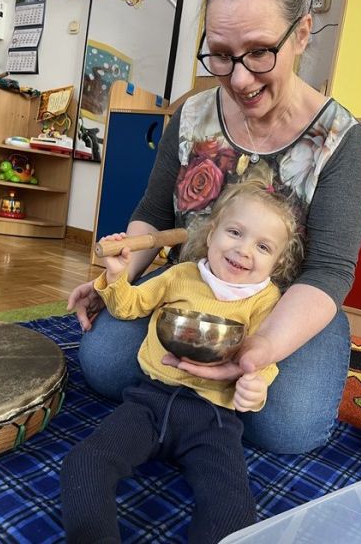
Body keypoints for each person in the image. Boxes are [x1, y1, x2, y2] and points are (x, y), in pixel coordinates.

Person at [68, 0, 361, 454]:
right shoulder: (192, 116)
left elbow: (329, 271)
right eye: (221, 55)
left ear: (301, 33)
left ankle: (197, 399)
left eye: (259, 52)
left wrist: (260, 350)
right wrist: (117, 278)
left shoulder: (341, 140)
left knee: (288, 427)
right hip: (191, 288)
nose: (239, 79)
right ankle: (203, 405)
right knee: (103, 363)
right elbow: (154, 216)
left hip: (278, 307)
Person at [60, 169, 303, 543]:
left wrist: (255, 385)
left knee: (232, 506)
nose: (244, 250)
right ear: (211, 233)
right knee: (85, 462)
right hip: (148, 400)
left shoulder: (266, 299)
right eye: (235, 232)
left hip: (214, 418)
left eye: (263, 247)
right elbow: (128, 307)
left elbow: (263, 359)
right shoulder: (181, 274)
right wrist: (117, 276)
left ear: (278, 263)